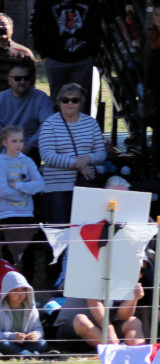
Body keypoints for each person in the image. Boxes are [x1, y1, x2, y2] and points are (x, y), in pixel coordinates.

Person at [37, 83, 107, 224]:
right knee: (60, 231)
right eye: (65, 100)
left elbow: (101, 153)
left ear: (81, 103)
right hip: (57, 187)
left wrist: (87, 158)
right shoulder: (49, 124)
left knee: (85, 230)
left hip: (85, 186)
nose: (70, 103)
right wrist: (77, 164)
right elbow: (47, 155)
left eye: (74, 100)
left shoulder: (91, 123)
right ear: (59, 101)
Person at [30, 0, 101, 106]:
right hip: (55, 58)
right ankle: (57, 123)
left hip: (82, 58)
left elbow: (96, 24)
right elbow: (35, 26)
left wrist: (92, 53)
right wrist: (43, 53)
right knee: (57, 101)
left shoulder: (91, 3)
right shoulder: (44, 2)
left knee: (79, 102)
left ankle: (78, 123)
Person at [0, 126, 44, 272]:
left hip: (26, 214)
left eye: (21, 141)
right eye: (14, 141)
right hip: (7, 215)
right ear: (4, 142)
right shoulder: (1, 161)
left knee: (28, 255)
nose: (18, 145)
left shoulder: (28, 161)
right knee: (9, 255)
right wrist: (27, 190)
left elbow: (40, 184)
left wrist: (18, 186)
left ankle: (27, 289)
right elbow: (2, 189)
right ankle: (9, 290)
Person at [53, 286, 146, 351]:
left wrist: (134, 299)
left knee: (134, 322)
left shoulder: (126, 284)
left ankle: (139, 355)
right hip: (73, 332)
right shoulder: (95, 274)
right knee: (81, 320)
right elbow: (93, 303)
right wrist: (110, 331)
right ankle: (116, 352)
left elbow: (123, 316)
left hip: (104, 332)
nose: (140, 274)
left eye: (141, 271)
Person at [0, 62, 53, 156]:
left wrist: (29, 144)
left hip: (31, 147)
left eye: (26, 78)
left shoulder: (41, 97)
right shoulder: (1, 98)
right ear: (9, 81)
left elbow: (48, 124)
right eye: (18, 78)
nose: (22, 81)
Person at [0, 268, 50, 357]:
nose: (20, 294)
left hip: (27, 343)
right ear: (7, 292)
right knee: (3, 344)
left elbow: (39, 329)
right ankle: (29, 355)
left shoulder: (32, 309)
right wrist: (13, 336)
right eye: (15, 290)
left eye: (23, 289)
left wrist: (36, 335)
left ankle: (25, 355)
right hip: (9, 342)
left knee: (43, 343)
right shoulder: (1, 310)